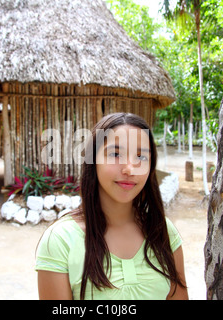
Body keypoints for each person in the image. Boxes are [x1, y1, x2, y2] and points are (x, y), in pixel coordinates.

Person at [35, 112, 188, 300]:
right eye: (115, 154)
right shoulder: (60, 241)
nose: (129, 169)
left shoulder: (163, 231)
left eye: (141, 157)